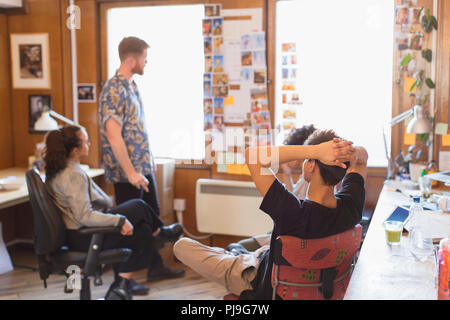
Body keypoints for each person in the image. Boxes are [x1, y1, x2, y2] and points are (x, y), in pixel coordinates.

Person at [174, 129, 367, 299]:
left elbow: (252, 156)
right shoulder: (352, 205)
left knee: (181, 245)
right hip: (310, 283)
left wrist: (315, 151)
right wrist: (343, 152)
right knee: (254, 247)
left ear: (311, 165)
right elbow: (363, 156)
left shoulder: (292, 212)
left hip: (256, 279)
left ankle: (235, 256)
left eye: (307, 159)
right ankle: (236, 255)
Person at [44, 126, 182, 300]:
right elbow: (84, 216)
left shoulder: (65, 170)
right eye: (86, 141)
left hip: (77, 234)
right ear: (75, 149)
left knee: (142, 229)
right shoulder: (73, 175)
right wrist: (119, 221)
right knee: (138, 206)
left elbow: (87, 205)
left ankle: (120, 287)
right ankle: (160, 233)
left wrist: (115, 214)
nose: (90, 143)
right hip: (84, 237)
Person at [99, 36, 186, 284]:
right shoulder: (113, 89)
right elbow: (114, 136)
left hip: (142, 166)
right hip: (127, 172)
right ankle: (122, 282)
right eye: (144, 59)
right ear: (131, 59)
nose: (146, 63)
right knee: (130, 225)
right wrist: (130, 173)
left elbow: (136, 128)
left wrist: (148, 160)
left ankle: (155, 266)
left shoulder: (132, 86)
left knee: (152, 215)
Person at [227, 125, 317, 254]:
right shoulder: (308, 178)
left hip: (289, 237)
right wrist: (287, 174)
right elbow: (293, 200)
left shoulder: (308, 179)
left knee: (235, 247)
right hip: (292, 234)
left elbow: (252, 155)